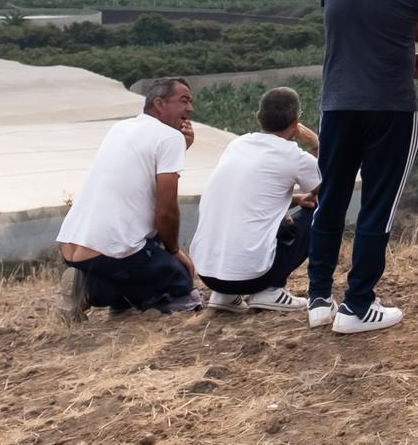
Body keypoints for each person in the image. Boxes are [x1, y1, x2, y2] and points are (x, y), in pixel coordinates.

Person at [306, 0, 418, 334]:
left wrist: (398, 37)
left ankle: (319, 299)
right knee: (378, 207)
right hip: (390, 106)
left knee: (331, 199)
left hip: (337, 104)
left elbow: (347, 16)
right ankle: (358, 305)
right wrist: (406, 37)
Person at [57, 77, 201, 317]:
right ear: (159, 103)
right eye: (183, 101)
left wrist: (180, 149)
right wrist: (174, 250)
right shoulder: (170, 137)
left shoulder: (120, 128)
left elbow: (139, 178)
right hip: (109, 253)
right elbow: (166, 210)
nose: (190, 109)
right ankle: (93, 292)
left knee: (144, 254)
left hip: (72, 246)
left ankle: (88, 283)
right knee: (180, 278)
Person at [191, 86, 323, 314]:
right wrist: (316, 144)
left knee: (259, 220)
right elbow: (330, 190)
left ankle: (225, 296)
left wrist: (295, 199)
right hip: (252, 278)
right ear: (296, 121)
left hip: (208, 275)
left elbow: (251, 198)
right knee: (319, 212)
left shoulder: (237, 145)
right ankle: (271, 290)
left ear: (258, 117)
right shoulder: (294, 156)